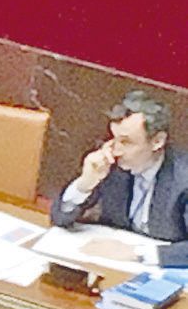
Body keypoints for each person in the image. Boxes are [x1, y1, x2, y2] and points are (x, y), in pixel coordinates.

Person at [51, 90, 188, 266]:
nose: (115, 150)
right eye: (113, 139)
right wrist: (85, 185)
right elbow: (60, 218)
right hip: (111, 267)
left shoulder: (182, 179)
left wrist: (137, 253)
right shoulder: (110, 164)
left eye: (126, 142)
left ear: (157, 141)